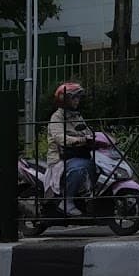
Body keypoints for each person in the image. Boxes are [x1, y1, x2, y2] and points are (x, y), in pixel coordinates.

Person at [47, 82, 94, 217]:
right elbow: (59, 137)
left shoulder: (76, 115)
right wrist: (78, 140)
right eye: (73, 98)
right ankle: (66, 201)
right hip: (61, 157)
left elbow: (88, 131)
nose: (77, 100)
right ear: (64, 100)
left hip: (78, 154)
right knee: (80, 169)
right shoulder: (57, 117)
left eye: (78, 98)